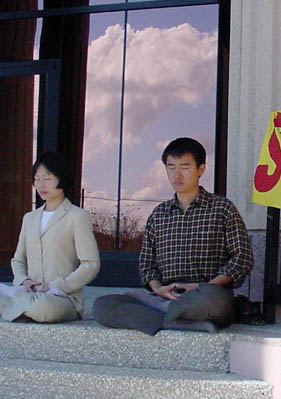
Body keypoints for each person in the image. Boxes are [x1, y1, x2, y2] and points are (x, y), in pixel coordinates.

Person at [93, 137, 253, 334]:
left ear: (201, 169)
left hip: (207, 294)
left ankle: (160, 317)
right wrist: (158, 289)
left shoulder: (222, 208)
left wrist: (201, 286)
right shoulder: (159, 214)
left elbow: (242, 258)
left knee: (209, 300)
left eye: (185, 167)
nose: (177, 175)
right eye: (171, 167)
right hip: (166, 295)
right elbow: (147, 265)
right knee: (102, 306)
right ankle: (175, 319)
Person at [0, 152, 100, 323]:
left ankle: (16, 302)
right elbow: (18, 260)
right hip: (29, 293)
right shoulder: (30, 218)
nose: (41, 184)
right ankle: (23, 307)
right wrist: (24, 281)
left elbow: (91, 265)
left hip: (61, 297)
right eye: (37, 179)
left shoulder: (77, 216)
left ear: (62, 179)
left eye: (47, 178)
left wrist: (55, 286)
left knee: (42, 308)